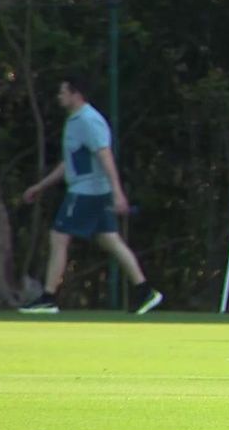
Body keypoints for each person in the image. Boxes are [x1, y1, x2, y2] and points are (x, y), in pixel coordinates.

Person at [18, 76, 163, 315]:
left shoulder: (88, 120)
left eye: (63, 92)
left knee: (59, 237)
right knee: (110, 240)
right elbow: (70, 163)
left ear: (76, 94)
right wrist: (40, 186)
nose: (59, 96)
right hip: (88, 191)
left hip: (88, 192)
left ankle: (48, 298)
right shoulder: (74, 121)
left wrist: (117, 193)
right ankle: (145, 291)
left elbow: (105, 155)